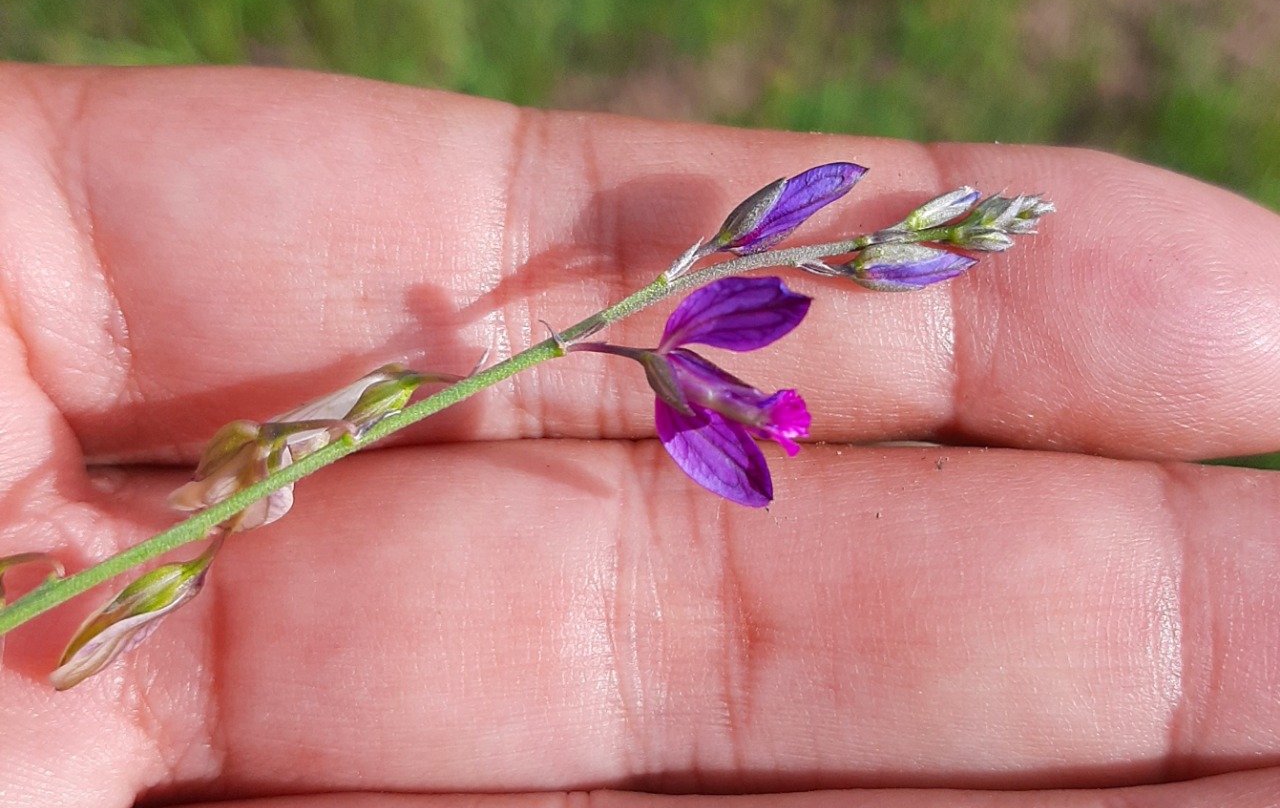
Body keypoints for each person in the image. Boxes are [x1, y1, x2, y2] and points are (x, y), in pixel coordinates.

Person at [0, 64, 1277, 807]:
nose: (756, 423)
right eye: (734, 406)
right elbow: (742, 348)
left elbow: (742, 386)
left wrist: (712, 383)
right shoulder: (706, 326)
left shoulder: (699, 357)